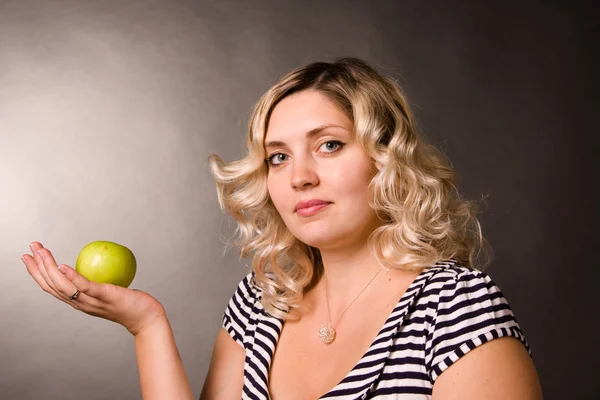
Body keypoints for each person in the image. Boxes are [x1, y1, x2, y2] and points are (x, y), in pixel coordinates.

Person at [22, 57, 543, 399]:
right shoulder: (260, 302)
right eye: (278, 157)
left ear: (387, 159)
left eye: (330, 144)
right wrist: (147, 326)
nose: (300, 177)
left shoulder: (456, 309)